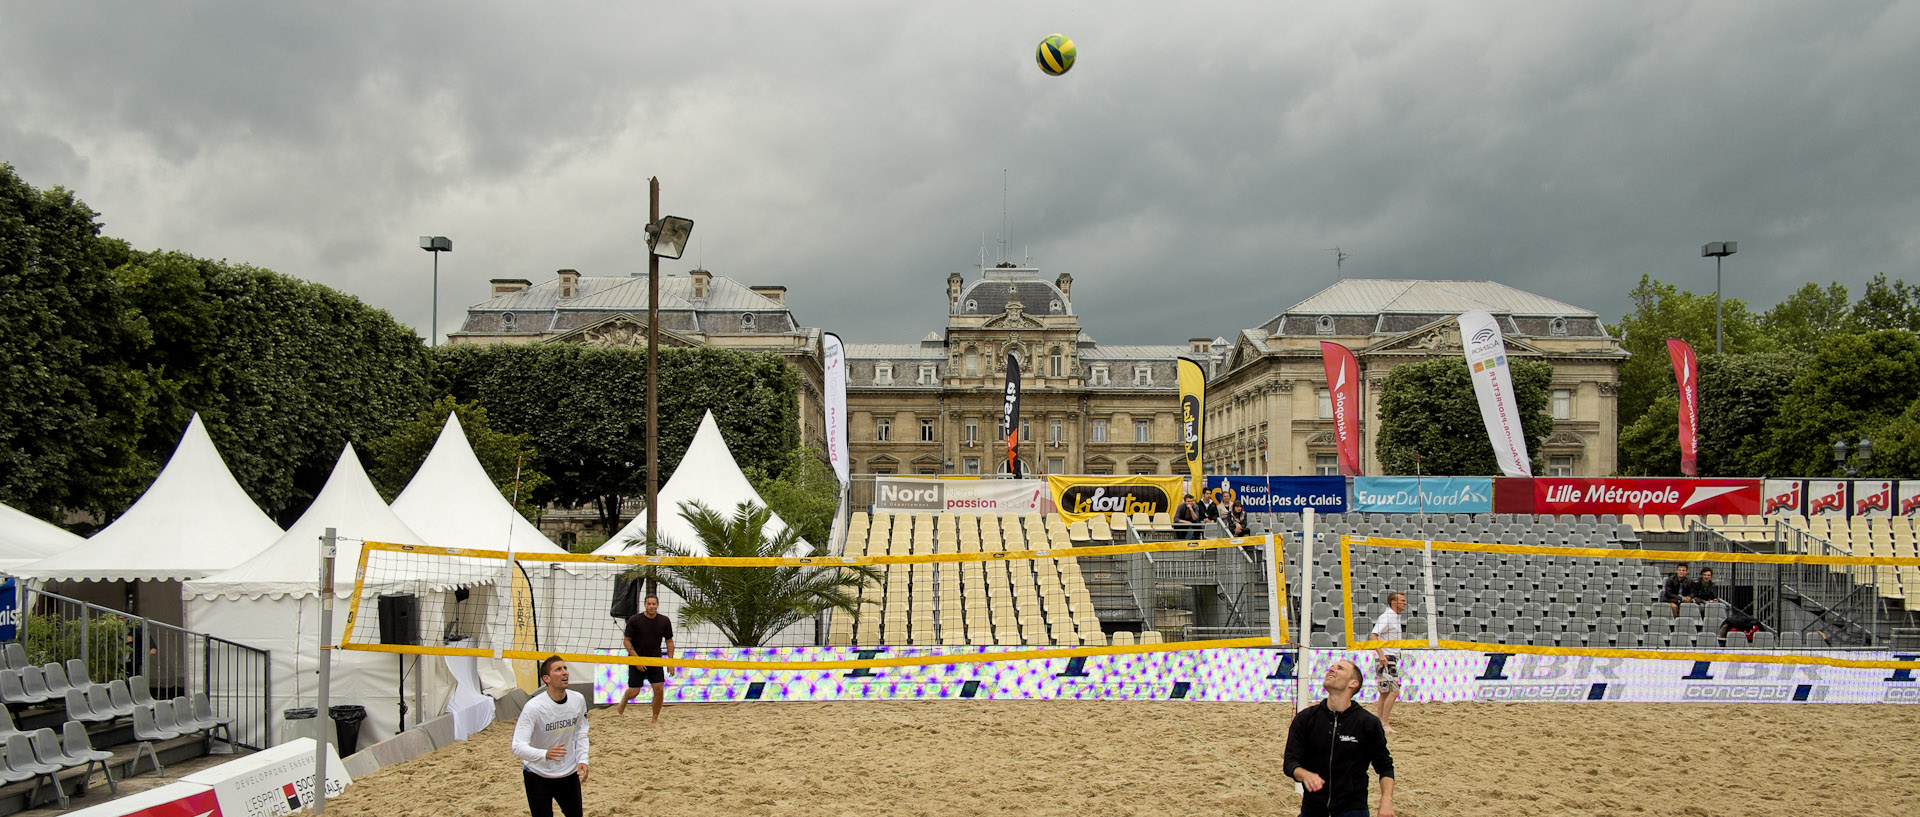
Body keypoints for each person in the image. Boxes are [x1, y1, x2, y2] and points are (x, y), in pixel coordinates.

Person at [1284, 659, 1396, 817]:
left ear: (1353, 683)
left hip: (1353, 809)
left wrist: (1386, 800)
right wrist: (1305, 774)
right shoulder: (1306, 718)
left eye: (1340, 668)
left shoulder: (1368, 723)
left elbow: (1385, 767)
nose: (1331, 669)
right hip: (1312, 808)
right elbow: (1290, 762)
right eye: (1331, 667)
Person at [512, 656, 589, 817]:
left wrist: (583, 758)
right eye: (558, 669)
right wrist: (544, 754)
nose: (564, 673)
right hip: (537, 775)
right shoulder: (533, 707)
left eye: (565, 668)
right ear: (546, 678)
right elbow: (517, 747)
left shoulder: (578, 699)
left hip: (568, 774)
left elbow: (581, 731)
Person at [616, 593, 675, 721]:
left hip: (654, 660)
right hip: (636, 659)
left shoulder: (664, 621)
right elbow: (627, 641)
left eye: (654, 604)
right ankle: (625, 698)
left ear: (657, 605)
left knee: (659, 689)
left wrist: (671, 662)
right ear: (645, 605)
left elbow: (669, 641)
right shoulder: (634, 620)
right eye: (649, 604)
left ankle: (655, 718)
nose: (652, 606)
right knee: (634, 692)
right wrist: (636, 659)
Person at [1368, 591, 1407, 734]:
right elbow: (1373, 635)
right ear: (1394, 602)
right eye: (1402, 600)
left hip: (1390, 657)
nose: (1405, 602)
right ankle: (1384, 723)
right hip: (1386, 658)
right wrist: (1381, 655)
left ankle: (1379, 723)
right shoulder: (1387, 617)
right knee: (1394, 691)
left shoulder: (1395, 617)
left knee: (1385, 692)